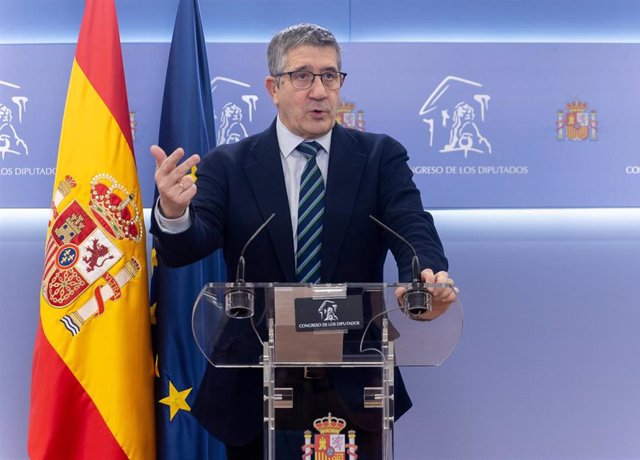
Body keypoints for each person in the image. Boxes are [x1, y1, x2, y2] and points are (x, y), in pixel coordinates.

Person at [150, 23, 458, 460]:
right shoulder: (230, 164)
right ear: (273, 87)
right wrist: (175, 213)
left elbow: (412, 229)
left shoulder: (379, 158)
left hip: (354, 379)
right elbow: (186, 248)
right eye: (303, 76)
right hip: (254, 382)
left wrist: (424, 278)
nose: (319, 91)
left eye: (330, 76)